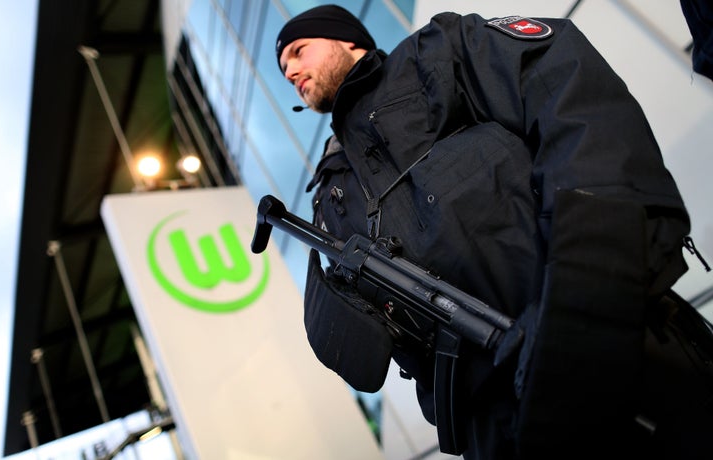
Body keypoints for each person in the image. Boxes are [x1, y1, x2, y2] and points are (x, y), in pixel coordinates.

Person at [274, 5, 713, 459]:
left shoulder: (435, 53)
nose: (290, 70)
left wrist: (592, 279)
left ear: (347, 39)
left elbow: (562, 86)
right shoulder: (329, 194)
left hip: (611, 342)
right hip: (501, 428)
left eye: (298, 51)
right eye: (283, 67)